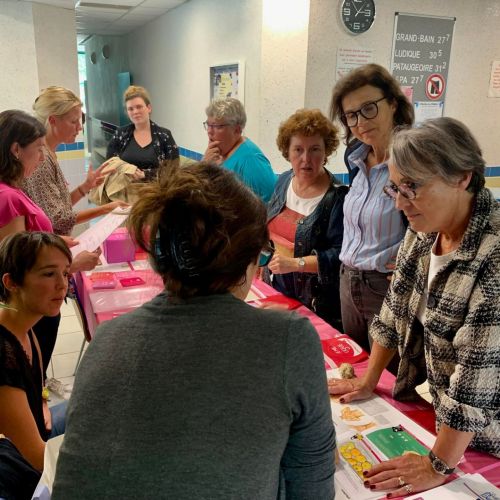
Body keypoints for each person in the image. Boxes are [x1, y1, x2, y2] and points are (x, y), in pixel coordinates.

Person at [52, 162, 335, 499]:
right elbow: (312, 482)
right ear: (244, 261)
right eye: (260, 256)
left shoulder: (109, 338)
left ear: (159, 260)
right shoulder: (290, 339)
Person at [329, 118, 500, 497]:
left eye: (413, 188)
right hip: (445, 417)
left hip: (486, 435)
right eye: (395, 187)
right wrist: (369, 378)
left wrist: (436, 465)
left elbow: (475, 384)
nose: (399, 202)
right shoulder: (425, 229)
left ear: (462, 177)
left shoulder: (494, 256)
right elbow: (394, 311)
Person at [0, 109, 99, 381]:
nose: (43, 156)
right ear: (16, 150)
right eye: (38, 149)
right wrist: (70, 266)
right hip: (29, 304)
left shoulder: (13, 189)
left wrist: (55, 243)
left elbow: (28, 244)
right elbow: (16, 269)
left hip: (32, 305)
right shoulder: (7, 197)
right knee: (29, 378)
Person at [330, 64, 414, 357]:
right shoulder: (354, 158)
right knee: (353, 367)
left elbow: (431, 226)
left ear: (393, 103)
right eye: (350, 115)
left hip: (385, 287)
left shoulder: (411, 161)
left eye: (368, 108)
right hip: (348, 281)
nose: (360, 121)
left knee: (388, 383)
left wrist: (411, 269)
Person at [265, 109, 347, 331]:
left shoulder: (337, 197)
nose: (306, 159)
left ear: (326, 152)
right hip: (276, 289)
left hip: (314, 304)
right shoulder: (283, 181)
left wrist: (294, 264)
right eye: (298, 150)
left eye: (314, 150)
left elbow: (340, 257)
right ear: (287, 152)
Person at [0, 231, 72, 472]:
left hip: (37, 431)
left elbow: (38, 381)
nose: (62, 284)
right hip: (16, 462)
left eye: (65, 273)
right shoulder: (4, 351)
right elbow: (37, 457)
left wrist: (42, 402)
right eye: (49, 274)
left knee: (99, 405)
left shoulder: (27, 321)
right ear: (11, 282)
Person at [23, 86, 126, 236]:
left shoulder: (49, 153)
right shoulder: (41, 160)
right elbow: (58, 219)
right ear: (53, 120)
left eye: (80, 120)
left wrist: (85, 187)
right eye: (73, 121)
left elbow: (58, 208)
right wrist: (107, 208)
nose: (79, 127)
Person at [203, 97, 276, 203]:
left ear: (237, 130)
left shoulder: (250, 159)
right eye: (208, 125)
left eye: (216, 126)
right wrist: (206, 166)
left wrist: (205, 168)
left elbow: (272, 200)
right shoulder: (217, 153)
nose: (209, 131)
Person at [106, 85, 179, 181]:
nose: (135, 112)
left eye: (139, 107)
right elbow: (109, 164)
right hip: (125, 192)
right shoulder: (120, 135)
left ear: (149, 108)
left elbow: (173, 170)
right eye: (130, 109)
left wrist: (146, 174)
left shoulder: (164, 136)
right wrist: (127, 171)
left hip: (157, 193)